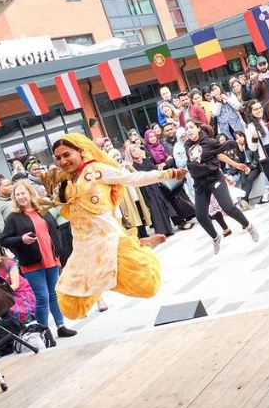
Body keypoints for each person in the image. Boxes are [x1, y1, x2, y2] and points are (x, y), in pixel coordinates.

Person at [51, 134, 186, 319]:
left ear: (81, 151)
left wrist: (167, 174)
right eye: (58, 158)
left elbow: (133, 178)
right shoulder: (64, 182)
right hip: (84, 248)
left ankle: (142, 249)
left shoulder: (97, 170)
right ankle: (105, 277)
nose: (63, 161)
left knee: (147, 286)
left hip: (110, 240)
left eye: (67, 155)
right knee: (70, 307)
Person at [0, 180, 76, 338]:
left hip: (51, 258)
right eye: (17, 194)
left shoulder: (42, 211)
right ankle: (42, 331)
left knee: (54, 294)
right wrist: (21, 239)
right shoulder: (14, 217)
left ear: (30, 193)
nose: (20, 197)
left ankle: (61, 325)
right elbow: (4, 239)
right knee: (42, 297)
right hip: (32, 262)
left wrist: (58, 254)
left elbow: (54, 230)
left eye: (23, 193)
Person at [183, 120, 260, 253]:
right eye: (186, 128)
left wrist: (236, 165)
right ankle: (215, 237)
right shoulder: (187, 145)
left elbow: (219, 153)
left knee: (228, 207)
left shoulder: (210, 142)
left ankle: (248, 226)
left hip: (214, 178)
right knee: (201, 216)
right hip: (200, 183)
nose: (188, 130)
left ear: (198, 128)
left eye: (191, 127)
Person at [0, 245, 37, 324]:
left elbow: (15, 285)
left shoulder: (9, 263)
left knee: (16, 310)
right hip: (7, 294)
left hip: (21, 291)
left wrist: (0, 296)